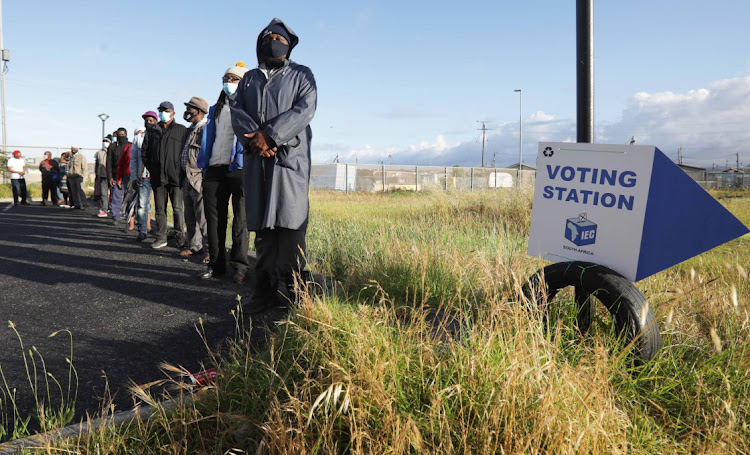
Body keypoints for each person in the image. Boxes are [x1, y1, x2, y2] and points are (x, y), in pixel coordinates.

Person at [231, 19, 317, 310]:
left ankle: (297, 295)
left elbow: (304, 109)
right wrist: (257, 141)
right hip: (258, 162)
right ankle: (264, 294)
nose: (273, 39)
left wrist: (271, 136)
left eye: (279, 36)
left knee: (291, 229)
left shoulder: (302, 75)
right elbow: (237, 112)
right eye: (268, 36)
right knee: (264, 233)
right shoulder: (249, 79)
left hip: (289, 162)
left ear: (289, 44)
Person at [197, 63, 250, 283]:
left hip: (239, 169)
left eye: (234, 79)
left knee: (240, 220)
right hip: (214, 169)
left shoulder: (249, 106)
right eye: (226, 78)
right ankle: (216, 265)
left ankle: (239, 267)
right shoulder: (214, 109)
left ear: (244, 82)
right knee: (214, 220)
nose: (229, 82)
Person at [142, 101, 187, 249]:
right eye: (160, 110)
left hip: (176, 177)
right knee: (160, 209)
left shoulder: (181, 130)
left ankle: (180, 237)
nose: (163, 113)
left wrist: (180, 170)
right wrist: (153, 168)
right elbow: (145, 153)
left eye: (166, 110)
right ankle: (161, 237)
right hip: (158, 177)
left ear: (173, 112)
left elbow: (186, 152)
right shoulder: (152, 131)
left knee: (178, 209)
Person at [180, 97, 209, 261]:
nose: (187, 112)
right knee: (190, 216)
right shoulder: (190, 129)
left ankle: (210, 250)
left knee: (203, 218)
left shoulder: (206, 128)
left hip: (198, 178)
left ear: (198, 110)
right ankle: (194, 246)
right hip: (186, 178)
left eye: (190, 108)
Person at [132, 114, 155, 242]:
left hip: (158, 175)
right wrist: (134, 177)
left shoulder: (161, 134)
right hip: (144, 175)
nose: (148, 122)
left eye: (151, 120)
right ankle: (142, 230)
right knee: (142, 204)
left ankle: (161, 233)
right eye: (146, 120)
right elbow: (134, 158)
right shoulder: (138, 138)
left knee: (162, 206)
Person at [108, 128, 131, 222]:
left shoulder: (130, 145)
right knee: (116, 196)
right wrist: (110, 177)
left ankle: (127, 215)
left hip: (128, 173)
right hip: (115, 174)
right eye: (119, 134)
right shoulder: (112, 146)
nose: (121, 136)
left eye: (123, 134)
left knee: (128, 196)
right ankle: (116, 216)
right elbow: (109, 163)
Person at [67, 145, 88, 210]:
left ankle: (84, 204)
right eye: (72, 148)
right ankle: (77, 204)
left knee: (81, 191)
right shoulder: (71, 157)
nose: (73, 150)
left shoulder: (81, 157)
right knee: (74, 191)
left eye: (75, 148)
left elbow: (85, 167)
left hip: (79, 176)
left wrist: (84, 177)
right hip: (71, 176)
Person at [95, 137, 111, 217]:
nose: (105, 142)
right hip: (102, 175)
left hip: (111, 175)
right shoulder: (99, 152)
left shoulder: (112, 150)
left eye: (106, 141)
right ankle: (105, 209)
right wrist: (96, 174)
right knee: (104, 193)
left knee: (114, 193)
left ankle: (112, 208)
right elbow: (97, 163)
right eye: (104, 141)